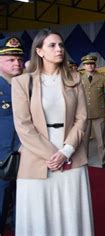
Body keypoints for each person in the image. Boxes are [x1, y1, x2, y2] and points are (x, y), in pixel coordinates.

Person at [11, 29, 93, 235]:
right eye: (52, 45)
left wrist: (65, 151)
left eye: (61, 45)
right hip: (37, 157)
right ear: (39, 51)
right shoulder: (22, 82)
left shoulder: (74, 79)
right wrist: (52, 155)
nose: (59, 49)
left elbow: (81, 118)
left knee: (71, 212)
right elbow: (23, 125)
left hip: (71, 154)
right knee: (40, 215)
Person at [0, 36, 23, 233]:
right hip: (2, 155)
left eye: (19, 59)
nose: (17, 63)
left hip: (25, 152)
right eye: (10, 59)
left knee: (21, 198)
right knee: (1, 196)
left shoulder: (25, 85)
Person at [81, 54, 105, 169]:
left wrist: (102, 105)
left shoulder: (102, 78)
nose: (90, 66)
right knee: (84, 140)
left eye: (92, 63)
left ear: (95, 64)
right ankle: (83, 160)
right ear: (84, 66)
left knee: (102, 139)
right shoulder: (79, 78)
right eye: (87, 64)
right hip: (84, 114)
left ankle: (104, 161)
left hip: (99, 112)